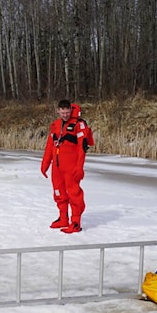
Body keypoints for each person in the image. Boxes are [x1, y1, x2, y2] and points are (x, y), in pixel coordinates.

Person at [41, 99, 94, 233]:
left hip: (71, 167)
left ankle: (75, 222)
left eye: (67, 111)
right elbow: (50, 146)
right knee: (59, 192)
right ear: (58, 111)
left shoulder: (78, 125)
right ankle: (63, 218)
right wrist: (45, 164)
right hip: (57, 167)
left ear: (71, 110)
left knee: (74, 194)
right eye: (62, 112)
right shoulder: (55, 125)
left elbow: (82, 148)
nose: (65, 114)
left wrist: (79, 167)